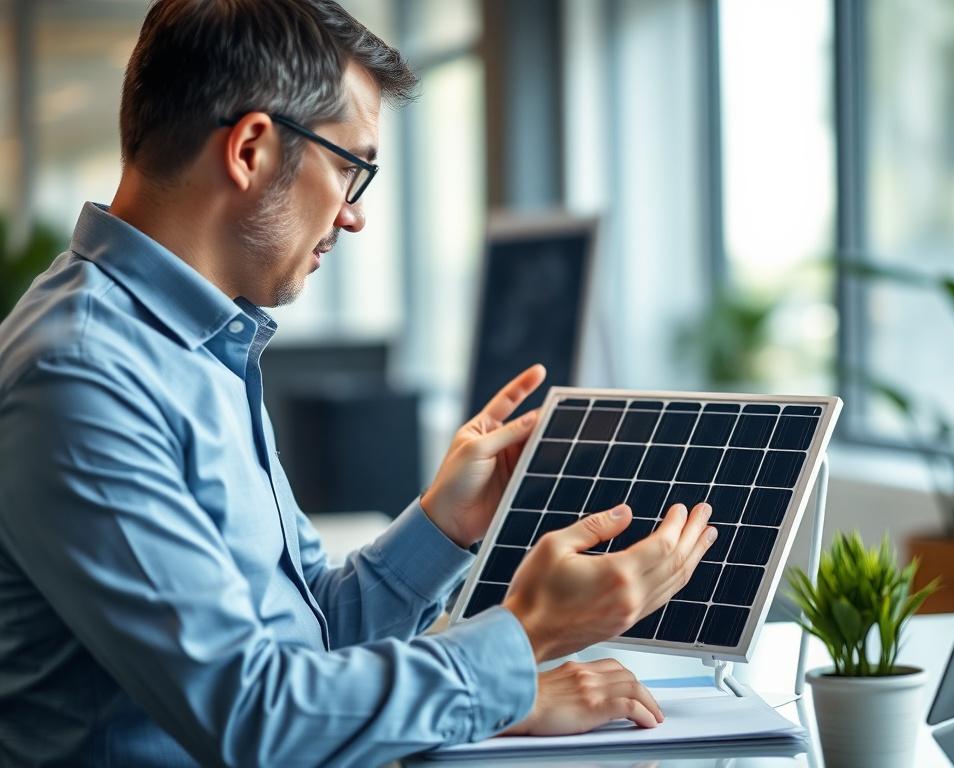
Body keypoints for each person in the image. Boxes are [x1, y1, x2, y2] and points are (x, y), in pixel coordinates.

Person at [0, 1, 717, 766]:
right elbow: (255, 716)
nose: (353, 217)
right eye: (350, 167)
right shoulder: (81, 375)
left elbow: (309, 638)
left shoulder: (198, 347)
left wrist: (442, 528)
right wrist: (528, 637)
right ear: (250, 149)